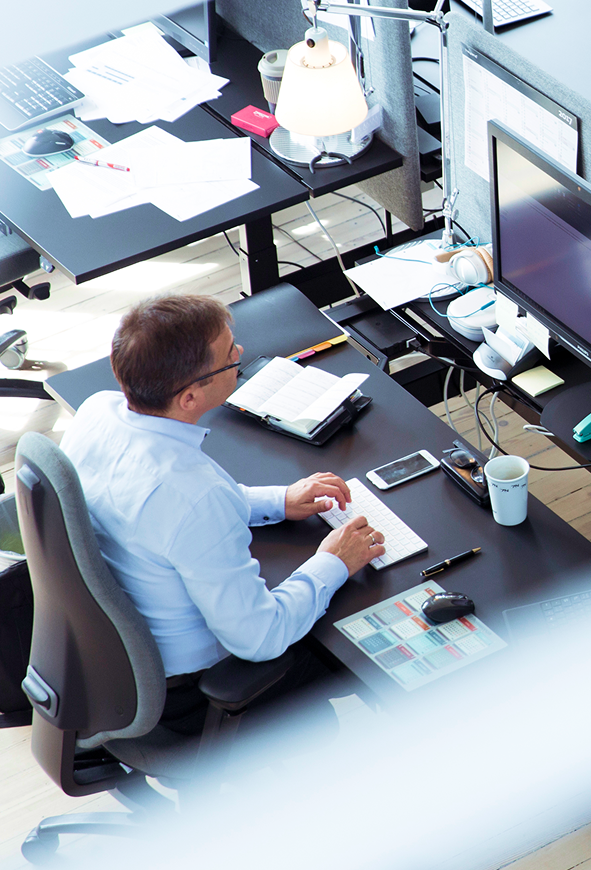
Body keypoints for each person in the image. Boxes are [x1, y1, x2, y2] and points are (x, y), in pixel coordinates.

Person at [62, 293, 384, 734]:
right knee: (365, 646)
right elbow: (260, 638)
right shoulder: (193, 495)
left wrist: (278, 500)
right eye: (229, 354)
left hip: (108, 658)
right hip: (189, 692)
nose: (240, 356)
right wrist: (334, 562)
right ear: (191, 397)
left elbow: (162, 518)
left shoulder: (96, 412)